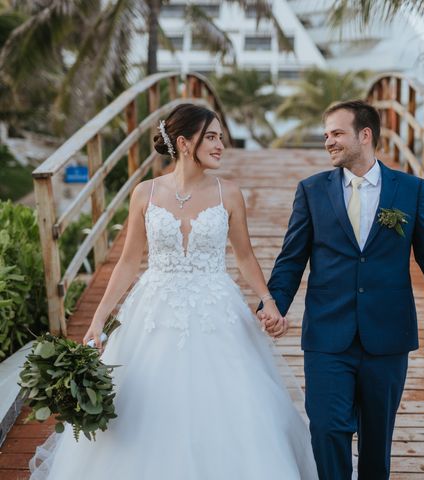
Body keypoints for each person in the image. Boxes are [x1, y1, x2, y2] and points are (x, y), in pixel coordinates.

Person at [29, 103, 318, 480]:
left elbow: (245, 256)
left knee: (232, 408)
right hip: (154, 308)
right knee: (142, 408)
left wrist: (269, 300)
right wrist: (98, 321)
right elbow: (129, 261)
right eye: (211, 137)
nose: (220, 145)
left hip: (215, 308)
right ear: (183, 143)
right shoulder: (144, 194)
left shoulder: (229, 194)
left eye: (220, 138)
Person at [259, 100, 424, 480]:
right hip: (327, 334)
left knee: (376, 439)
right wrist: (273, 304)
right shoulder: (312, 190)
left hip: (387, 335)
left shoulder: (411, 190)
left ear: (364, 135)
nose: (328, 142)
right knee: (327, 428)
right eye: (326, 135)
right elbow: (291, 258)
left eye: (336, 133)